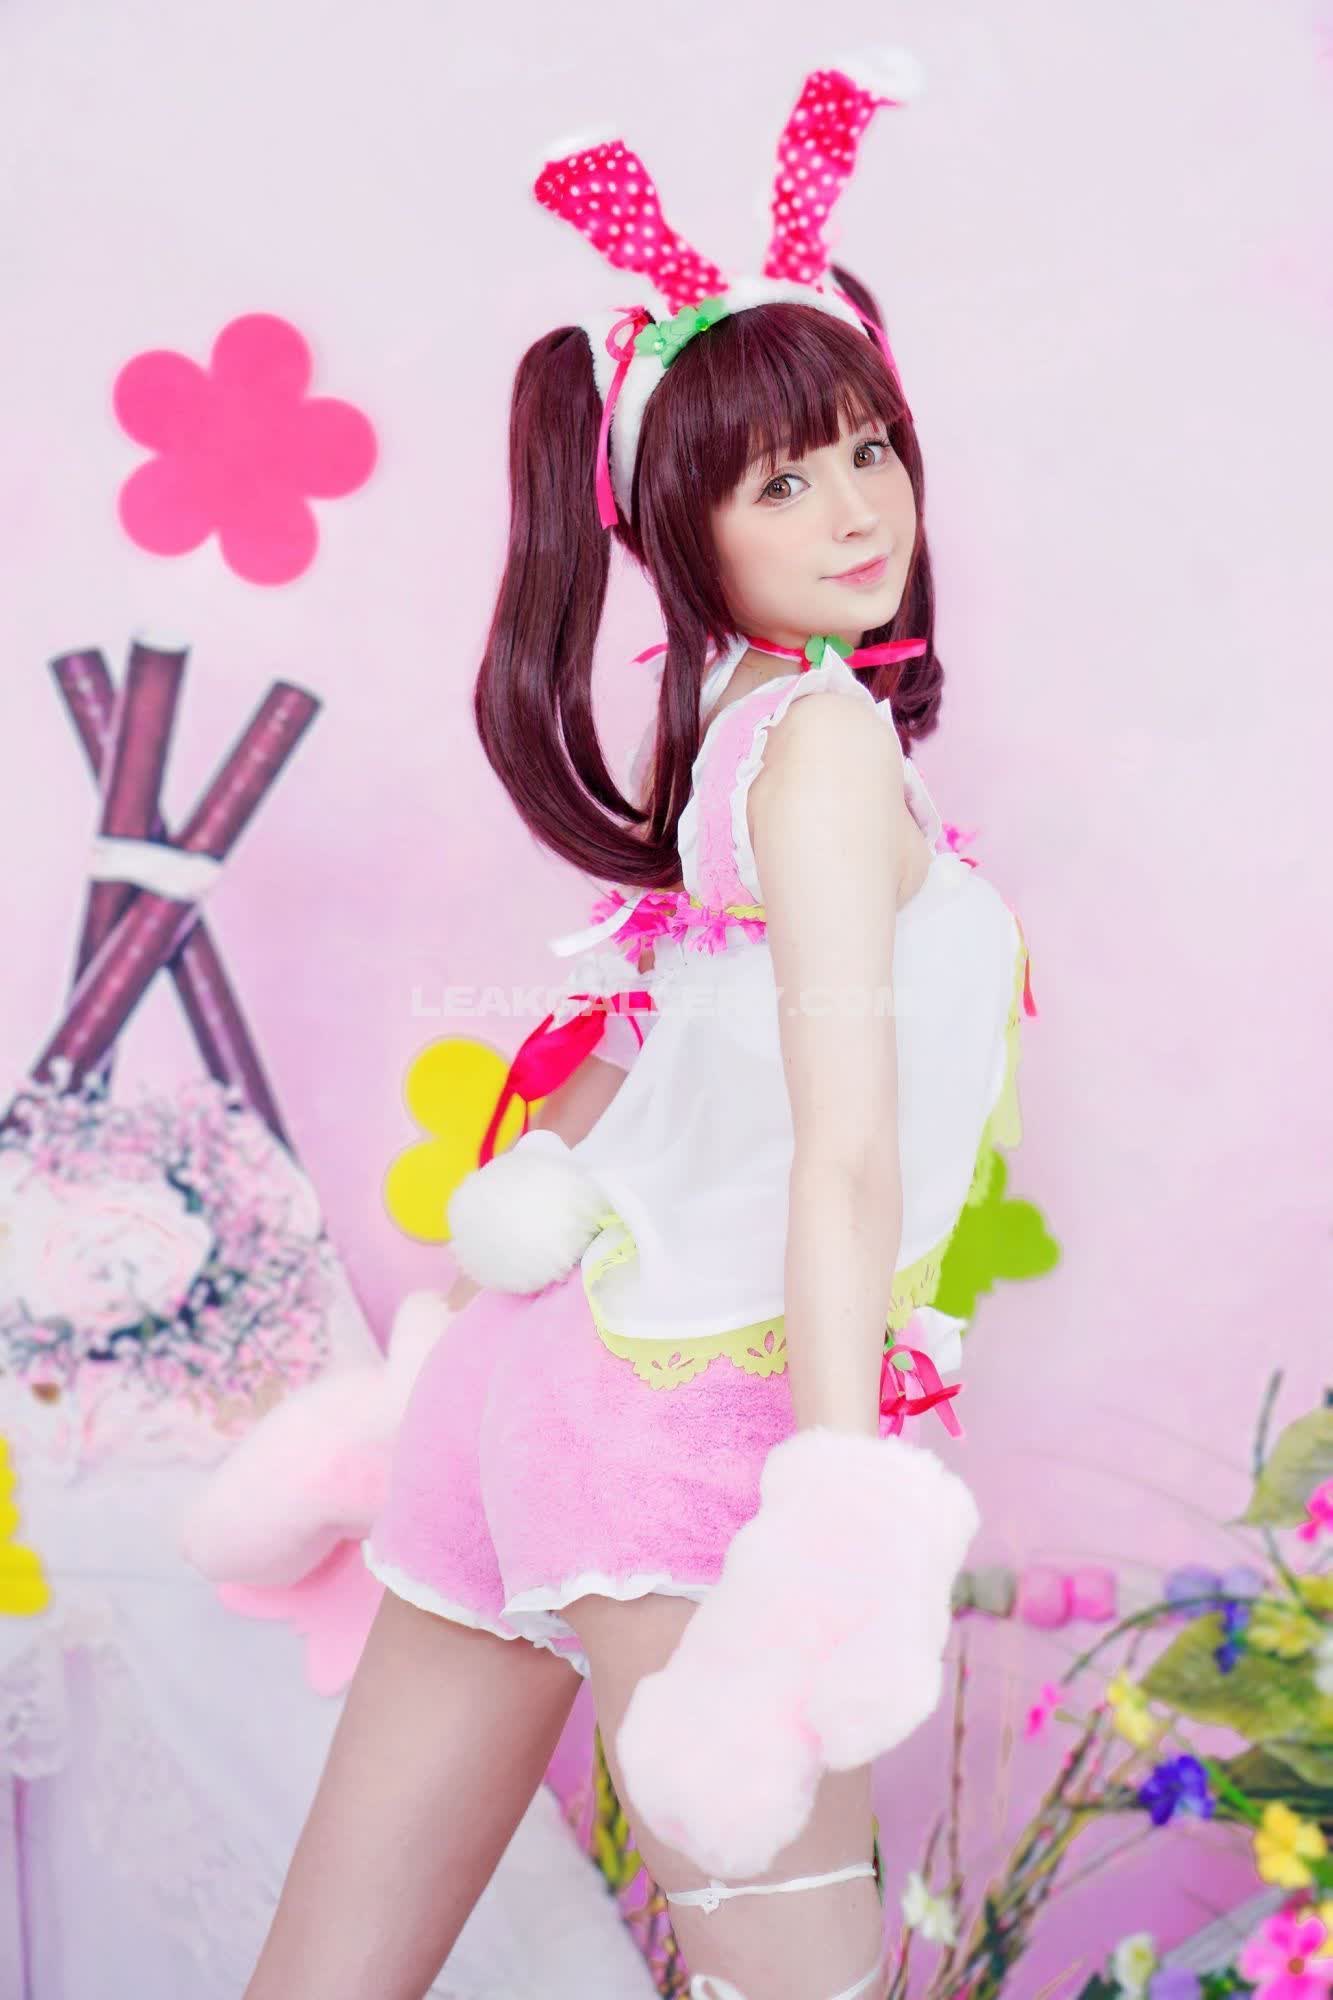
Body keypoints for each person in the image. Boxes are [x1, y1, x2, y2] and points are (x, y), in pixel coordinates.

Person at [242, 48, 1033, 2000]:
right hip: (691, 1417)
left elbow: (644, 1057)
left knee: (328, 1973)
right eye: (783, 479)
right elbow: (843, 1153)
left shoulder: (734, 736)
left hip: (526, 1392)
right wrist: (835, 1524)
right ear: (682, 527)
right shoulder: (819, 745)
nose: (857, 507)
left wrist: (459, 1327)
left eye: (868, 447)